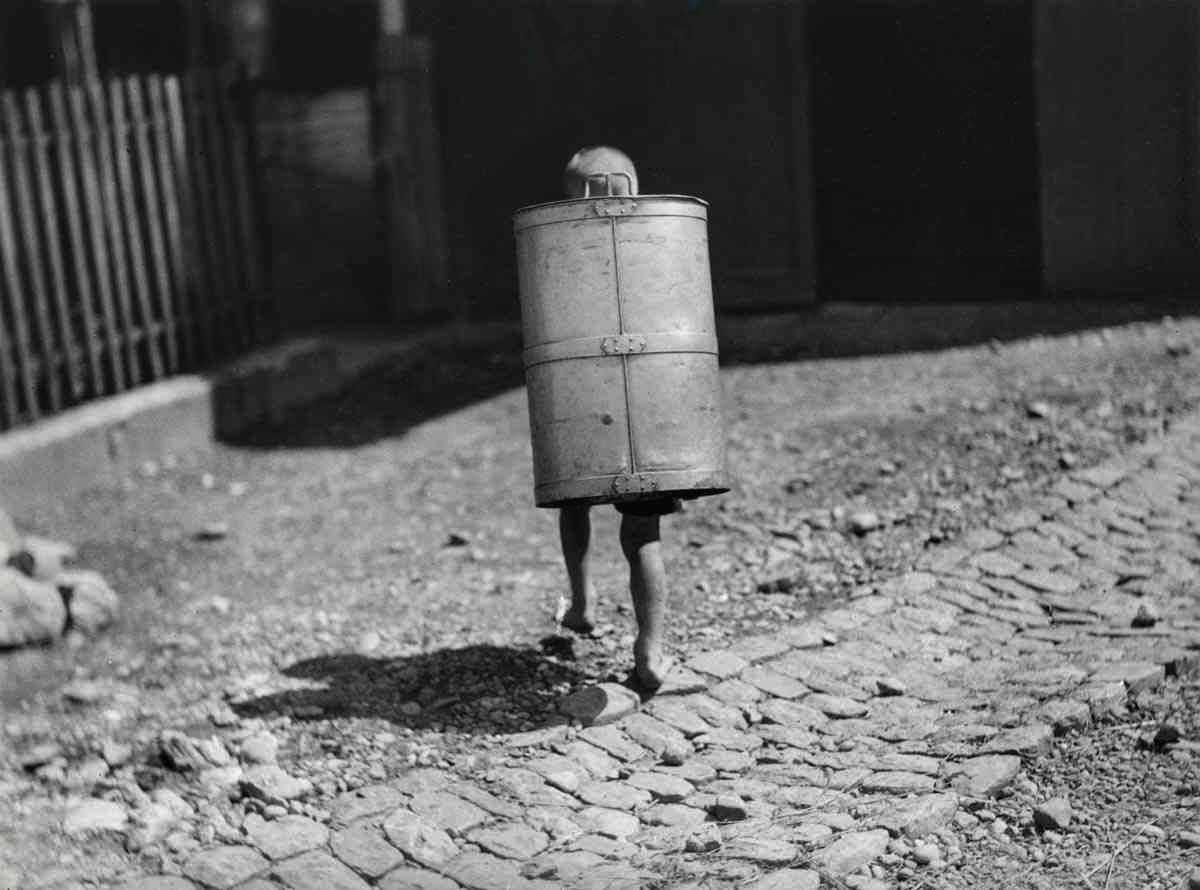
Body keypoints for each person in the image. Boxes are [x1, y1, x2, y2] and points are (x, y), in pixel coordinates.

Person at [555, 146, 679, 692]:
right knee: (642, 531)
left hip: (580, 386)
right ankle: (649, 649)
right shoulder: (660, 240)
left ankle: (581, 604)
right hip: (644, 392)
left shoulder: (558, 245)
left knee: (574, 494)